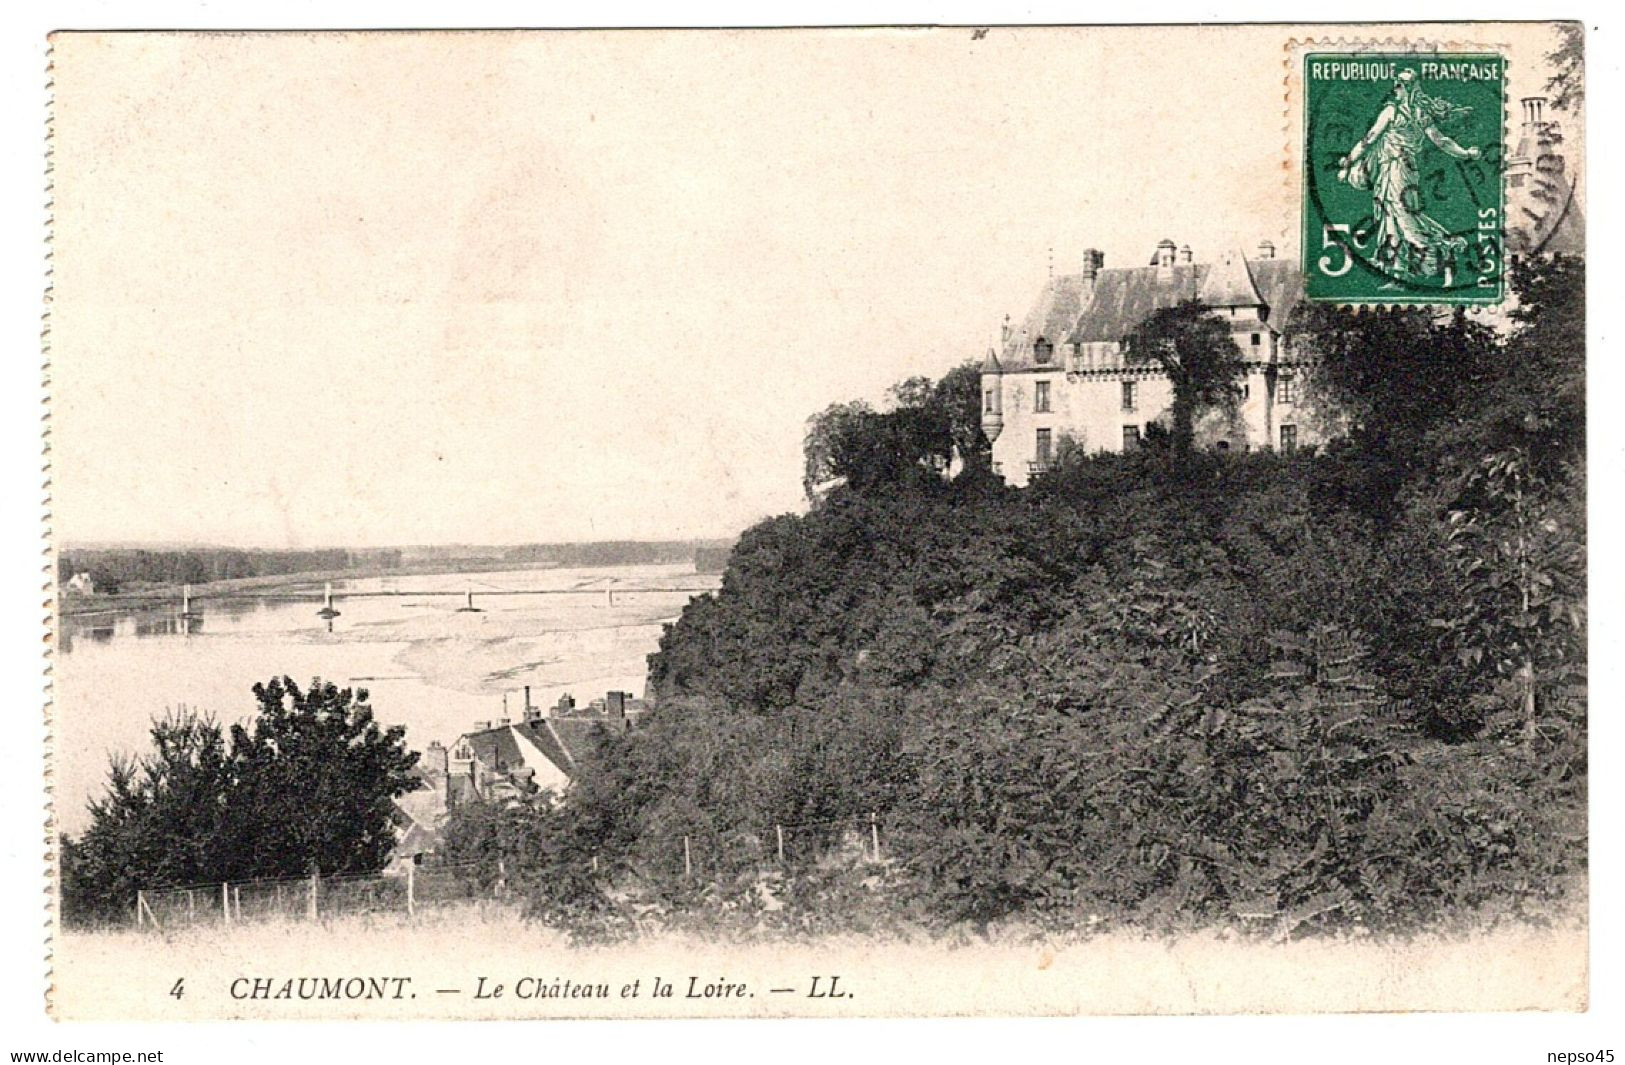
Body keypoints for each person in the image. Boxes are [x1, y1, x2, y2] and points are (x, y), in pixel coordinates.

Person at [1338, 69, 1481, 282]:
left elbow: (1369, 139)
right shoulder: (1421, 114)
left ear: (1408, 88)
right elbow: (1442, 141)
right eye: (1396, 84)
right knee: (1393, 214)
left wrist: (1348, 161)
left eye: (1399, 85)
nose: (1395, 89)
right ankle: (1396, 268)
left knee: (1401, 214)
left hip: (1394, 169)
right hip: (1406, 171)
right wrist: (1466, 153)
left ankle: (1439, 245)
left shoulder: (1392, 111)